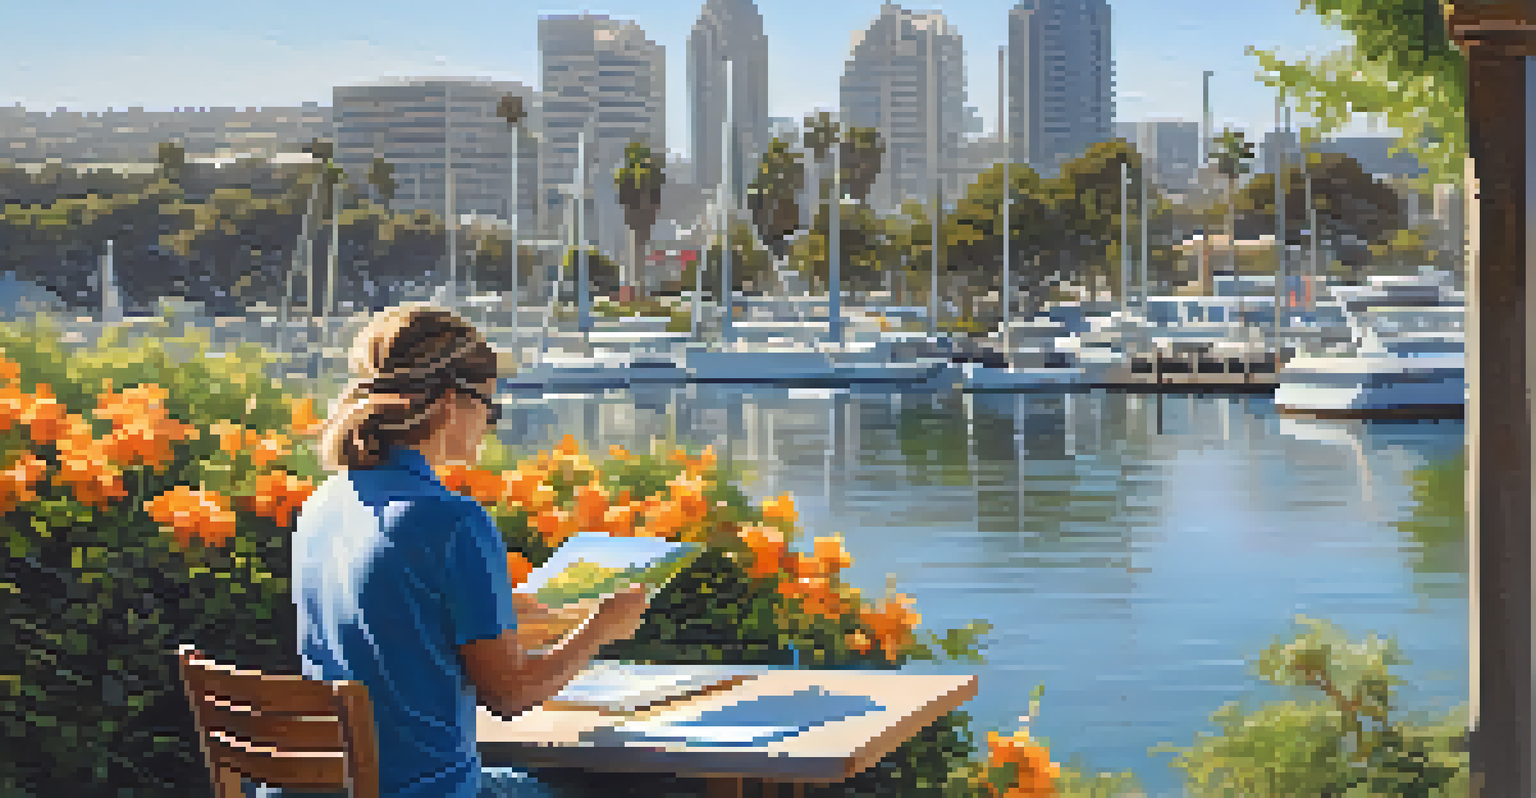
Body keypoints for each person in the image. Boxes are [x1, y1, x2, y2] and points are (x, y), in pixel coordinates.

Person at [247, 303, 652, 798]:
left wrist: (516, 614)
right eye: (489, 406)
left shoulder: (324, 502)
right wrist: (599, 631)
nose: (491, 422)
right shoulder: (452, 521)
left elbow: (401, 633)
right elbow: (510, 696)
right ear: (448, 402)